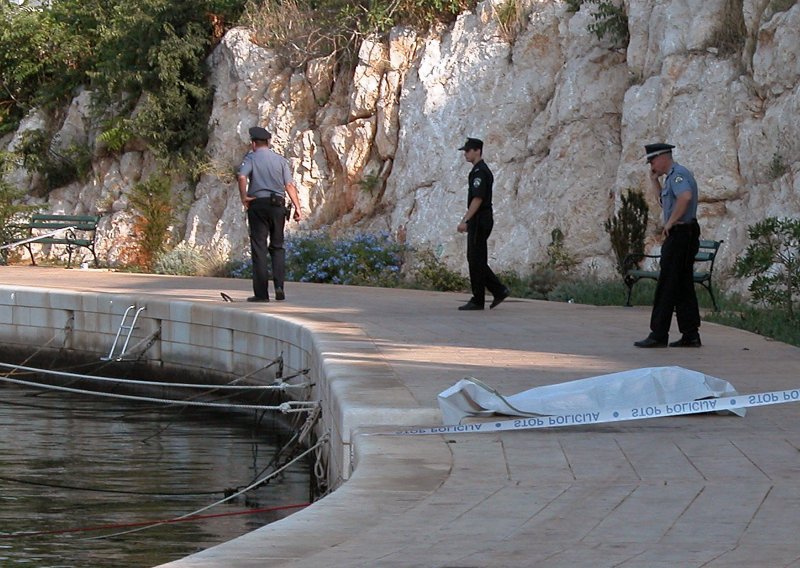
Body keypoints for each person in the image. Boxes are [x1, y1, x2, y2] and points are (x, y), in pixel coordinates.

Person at [634, 143, 702, 348]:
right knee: (682, 284)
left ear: (663, 157)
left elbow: (685, 197)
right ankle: (690, 333)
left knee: (667, 283)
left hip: (681, 233)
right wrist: (655, 181)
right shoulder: (670, 178)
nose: (652, 164)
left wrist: (670, 223)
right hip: (684, 232)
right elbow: (667, 203)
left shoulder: (678, 174)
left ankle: (658, 333)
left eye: (653, 160)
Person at [237, 126, 302, 302]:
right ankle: (279, 287)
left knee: (259, 248)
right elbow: (289, 185)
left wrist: (244, 197)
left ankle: (261, 294)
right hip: (278, 206)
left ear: (253, 144)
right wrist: (297, 207)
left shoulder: (251, 157)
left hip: (258, 205)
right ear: (268, 142)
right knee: (278, 247)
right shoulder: (280, 160)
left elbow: (242, 177)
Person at [456, 137, 509, 311]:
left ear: (477, 150)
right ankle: (496, 290)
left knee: (475, 259)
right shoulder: (479, 170)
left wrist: (466, 220)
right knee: (477, 259)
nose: (465, 154)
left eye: (468, 150)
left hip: (480, 219)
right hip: (481, 219)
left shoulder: (480, 172)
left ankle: (481, 298)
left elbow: (478, 198)